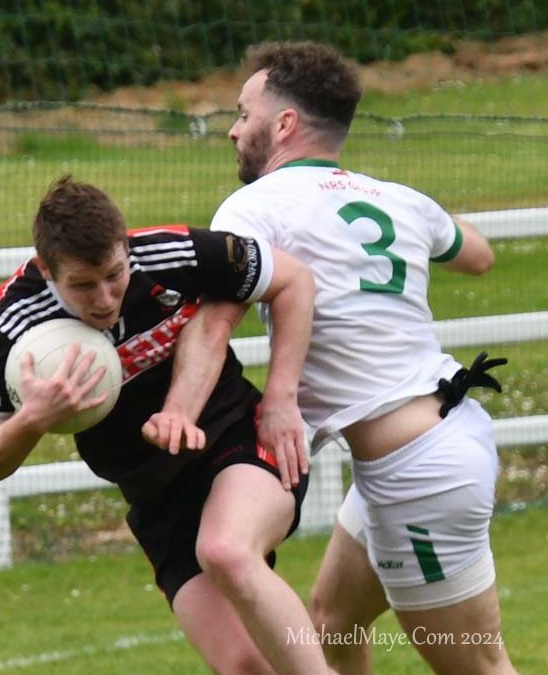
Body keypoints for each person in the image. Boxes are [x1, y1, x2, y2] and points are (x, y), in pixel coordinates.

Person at [210, 41, 517, 674]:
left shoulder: (252, 207)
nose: (235, 130)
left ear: (286, 124)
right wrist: (397, 216)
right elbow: (479, 255)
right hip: (427, 440)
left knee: (478, 666)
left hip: (420, 475)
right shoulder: (397, 198)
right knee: (332, 624)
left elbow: (214, 326)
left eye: (243, 113)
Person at [0, 175, 332, 674]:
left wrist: (283, 397)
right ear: (47, 270)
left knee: (225, 549)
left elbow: (293, 280)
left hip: (237, 442)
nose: (106, 298)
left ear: (126, 245)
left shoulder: (172, 254)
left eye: (115, 274)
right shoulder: (9, 324)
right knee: (242, 664)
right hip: (156, 497)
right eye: (83, 285)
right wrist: (32, 420)